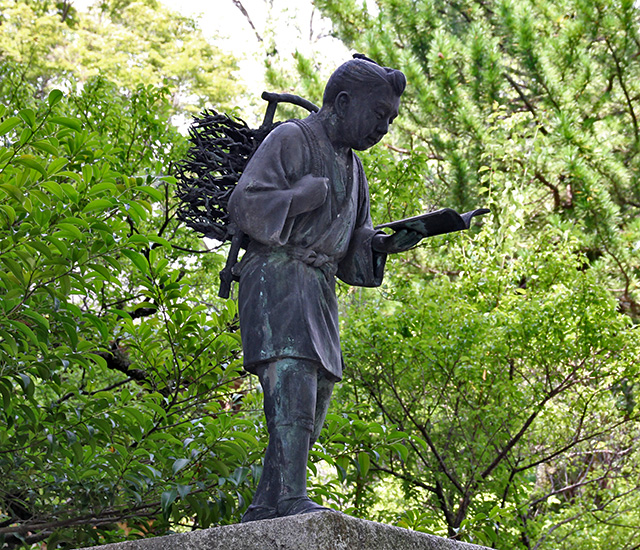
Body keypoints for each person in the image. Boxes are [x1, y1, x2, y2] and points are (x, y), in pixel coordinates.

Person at [228, 56, 422, 523]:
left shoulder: (355, 170)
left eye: (391, 120)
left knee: (316, 395)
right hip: (277, 274)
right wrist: (297, 198)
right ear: (343, 102)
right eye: (380, 115)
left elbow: (355, 247)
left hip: (317, 287)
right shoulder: (293, 138)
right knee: (293, 381)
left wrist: (384, 244)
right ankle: (292, 497)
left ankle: (266, 502)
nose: (384, 128)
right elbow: (244, 204)